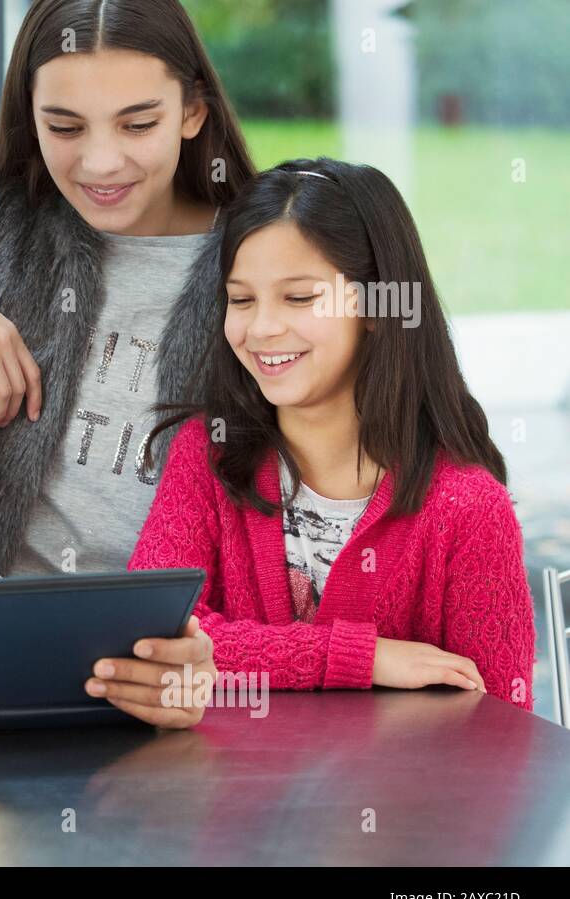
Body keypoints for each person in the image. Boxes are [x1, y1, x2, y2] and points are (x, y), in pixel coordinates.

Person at [0, 0, 245, 725]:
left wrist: (214, 660)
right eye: (64, 127)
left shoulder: (263, 254)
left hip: (175, 681)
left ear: (194, 111)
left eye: (139, 124)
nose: (100, 162)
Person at [128, 158, 536, 709]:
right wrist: (362, 658)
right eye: (241, 299)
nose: (262, 328)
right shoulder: (207, 453)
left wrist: (232, 655)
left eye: (299, 298)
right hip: (231, 794)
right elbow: (154, 640)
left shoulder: (468, 508)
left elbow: (502, 736)